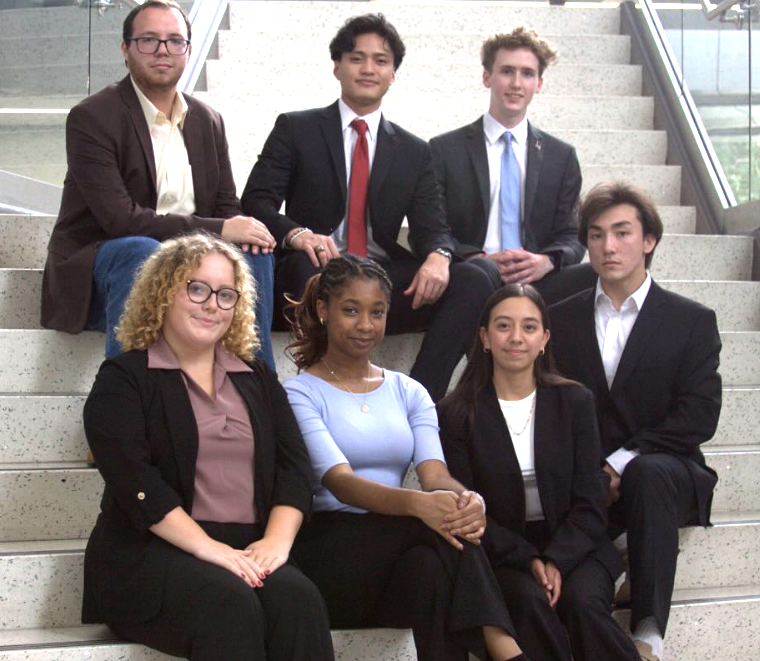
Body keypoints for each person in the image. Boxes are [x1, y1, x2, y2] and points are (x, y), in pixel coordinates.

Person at [81, 233, 334, 661]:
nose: (211, 304)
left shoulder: (256, 377)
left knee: (299, 599)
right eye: (196, 288)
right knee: (227, 600)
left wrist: (275, 543)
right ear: (163, 293)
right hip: (150, 553)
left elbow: (294, 468)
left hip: (247, 548)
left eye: (225, 295)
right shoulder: (123, 379)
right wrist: (209, 549)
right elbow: (137, 484)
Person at [283, 254, 533, 661]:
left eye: (377, 312)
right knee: (431, 529)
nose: (366, 325)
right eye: (351, 310)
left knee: (431, 572)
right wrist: (420, 506)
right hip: (330, 551)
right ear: (323, 311)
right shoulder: (299, 393)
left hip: (396, 561)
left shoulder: (409, 391)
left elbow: (434, 476)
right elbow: (339, 482)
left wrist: (468, 500)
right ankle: (504, 647)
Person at [242, 13, 495, 401]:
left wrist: (440, 255)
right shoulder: (297, 128)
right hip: (313, 272)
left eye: (381, 60)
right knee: (308, 268)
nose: (368, 68)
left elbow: (433, 227)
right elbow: (256, 201)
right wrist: (297, 233)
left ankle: (420, 397)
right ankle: (322, 391)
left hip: (382, 280)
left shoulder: (413, 150)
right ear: (337, 66)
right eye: (357, 58)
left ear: (393, 74)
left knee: (475, 278)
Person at [41, 0, 276, 367]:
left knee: (252, 251)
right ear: (125, 48)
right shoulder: (92, 117)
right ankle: (131, 394)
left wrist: (237, 230)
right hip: (105, 268)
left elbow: (226, 206)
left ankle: (257, 382)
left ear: (188, 50)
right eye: (148, 40)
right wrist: (222, 228)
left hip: (189, 266)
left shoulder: (207, 120)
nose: (163, 50)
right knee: (139, 248)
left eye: (174, 41)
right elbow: (121, 221)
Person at [549, 182, 721, 661]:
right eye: (598, 234)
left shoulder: (691, 320)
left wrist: (621, 462)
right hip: (589, 487)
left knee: (646, 473)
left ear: (648, 241)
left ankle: (649, 634)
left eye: (622, 233)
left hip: (668, 473)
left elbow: (699, 415)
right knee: (579, 598)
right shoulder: (560, 321)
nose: (608, 246)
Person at [438, 285, 640, 661]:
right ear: (484, 337)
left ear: (544, 339)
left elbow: (591, 499)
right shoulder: (455, 413)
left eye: (529, 327)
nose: (516, 338)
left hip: (578, 545)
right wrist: (529, 558)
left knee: (582, 603)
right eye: (503, 326)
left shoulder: (575, 401)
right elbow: (467, 507)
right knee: (530, 601)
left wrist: (556, 560)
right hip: (502, 551)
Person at [429, 27, 596, 306]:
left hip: (537, 279)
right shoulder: (446, 150)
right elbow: (434, 227)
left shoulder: (561, 156)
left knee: (601, 275)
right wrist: (477, 259)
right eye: (507, 71)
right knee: (477, 278)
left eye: (527, 74)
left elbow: (573, 235)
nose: (516, 83)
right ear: (487, 77)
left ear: (539, 83)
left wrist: (546, 261)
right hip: (471, 273)